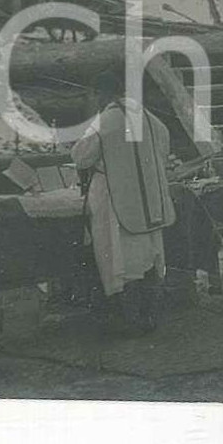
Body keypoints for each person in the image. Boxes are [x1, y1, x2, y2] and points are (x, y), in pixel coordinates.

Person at [71, 71, 176, 333]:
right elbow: (164, 146)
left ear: (102, 94)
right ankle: (152, 315)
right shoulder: (150, 118)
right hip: (148, 199)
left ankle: (131, 320)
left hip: (115, 199)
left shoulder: (105, 121)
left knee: (121, 259)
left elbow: (81, 157)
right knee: (150, 257)